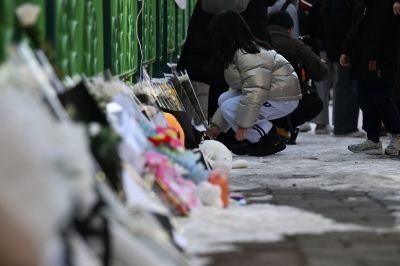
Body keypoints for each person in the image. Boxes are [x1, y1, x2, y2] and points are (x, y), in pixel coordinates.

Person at [205, 10, 302, 156]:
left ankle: (269, 139)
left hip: (284, 98)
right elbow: (238, 89)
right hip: (273, 94)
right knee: (224, 99)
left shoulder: (247, 54)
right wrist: (219, 125)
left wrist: (244, 125)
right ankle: (260, 138)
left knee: (229, 105)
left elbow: (256, 89)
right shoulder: (238, 52)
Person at [342, 0, 400, 155]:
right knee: (365, 100)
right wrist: (347, 50)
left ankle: (397, 135)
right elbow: (355, 27)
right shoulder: (361, 2)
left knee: (382, 99)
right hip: (362, 57)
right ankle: (373, 139)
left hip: (383, 57)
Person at [267, 10, 329, 137]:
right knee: (315, 104)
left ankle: (270, 126)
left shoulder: (257, 41)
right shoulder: (295, 44)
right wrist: (319, 62)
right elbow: (320, 73)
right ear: (290, 29)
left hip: (256, 98)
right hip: (286, 99)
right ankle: (279, 125)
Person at [325, 0, 365, 137]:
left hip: (343, 47)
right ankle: (344, 126)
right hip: (344, 49)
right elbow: (343, 22)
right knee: (346, 87)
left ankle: (345, 125)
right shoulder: (341, 3)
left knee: (346, 87)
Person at [305, 0, 336, 134]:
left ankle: (320, 125)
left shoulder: (318, 4)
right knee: (340, 89)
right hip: (338, 49)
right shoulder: (340, 4)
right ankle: (340, 123)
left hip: (320, 50)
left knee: (321, 89)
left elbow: (309, 28)